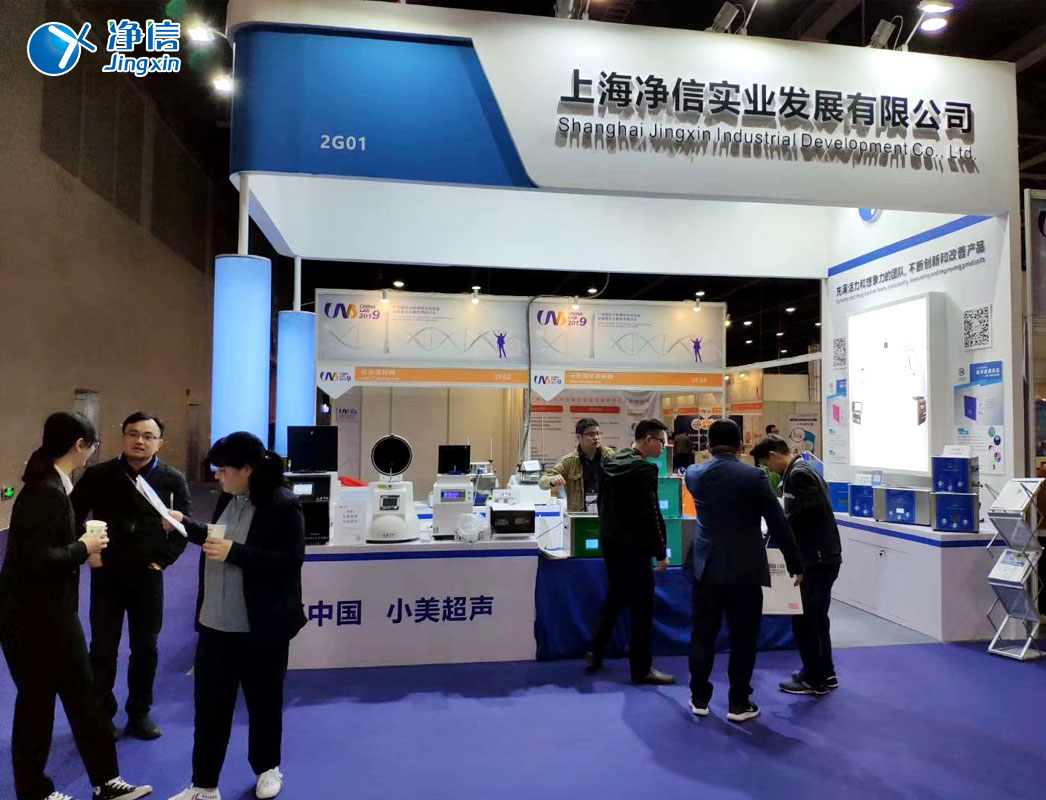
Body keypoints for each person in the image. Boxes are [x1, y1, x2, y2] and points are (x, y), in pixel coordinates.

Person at [0, 411, 153, 800]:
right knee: (39, 706)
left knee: (83, 698)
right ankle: (36, 790)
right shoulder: (46, 492)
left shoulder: (55, 485)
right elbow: (36, 559)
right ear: (79, 446)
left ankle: (106, 781)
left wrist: (80, 547)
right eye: (93, 444)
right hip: (33, 620)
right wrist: (83, 547)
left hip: (50, 614)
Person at [167, 432, 306, 800]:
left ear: (247, 470)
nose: (218, 476)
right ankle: (204, 785)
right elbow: (218, 538)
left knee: (264, 702)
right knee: (210, 709)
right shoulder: (229, 497)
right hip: (215, 624)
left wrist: (235, 553)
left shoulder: (283, 504)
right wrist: (185, 525)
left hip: (260, 625)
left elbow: (290, 561)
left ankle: (267, 768)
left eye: (223, 470)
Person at [71, 412, 191, 741]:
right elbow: (72, 514)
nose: (139, 441)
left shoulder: (172, 479)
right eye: (133, 434)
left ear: (159, 443)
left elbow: (185, 527)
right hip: (107, 574)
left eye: (148, 436)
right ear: (123, 437)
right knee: (102, 647)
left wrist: (162, 561)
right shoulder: (99, 475)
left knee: (146, 647)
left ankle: (139, 712)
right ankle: (101, 713)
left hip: (148, 576)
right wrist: (87, 551)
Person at [684, 419, 803, 723]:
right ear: (741, 446)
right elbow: (777, 522)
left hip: (706, 567)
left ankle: (699, 697)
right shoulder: (754, 477)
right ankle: (738, 703)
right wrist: (794, 562)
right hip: (745, 568)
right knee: (744, 637)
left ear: (708, 445)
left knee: (703, 635)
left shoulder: (694, 474)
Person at [585, 418, 675, 685]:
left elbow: (602, 504)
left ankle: (596, 650)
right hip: (635, 547)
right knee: (643, 608)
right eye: (662, 442)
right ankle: (641, 668)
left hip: (611, 543)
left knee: (615, 597)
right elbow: (650, 513)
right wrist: (660, 550)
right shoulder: (644, 470)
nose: (663, 447)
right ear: (648, 439)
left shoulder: (612, 462)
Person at [751, 435, 843, 695]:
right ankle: (823, 672)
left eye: (767, 465)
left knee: (807, 620)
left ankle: (814, 679)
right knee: (817, 618)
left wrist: (783, 523)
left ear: (773, 455)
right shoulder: (803, 470)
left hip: (816, 558)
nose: (770, 470)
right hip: (823, 556)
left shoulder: (799, 474)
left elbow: (810, 510)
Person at [539, 418, 614, 513]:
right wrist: (552, 480)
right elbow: (542, 482)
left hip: (606, 513)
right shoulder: (569, 461)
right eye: (591, 434)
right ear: (579, 437)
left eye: (598, 433)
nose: (596, 437)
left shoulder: (610, 456)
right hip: (580, 515)